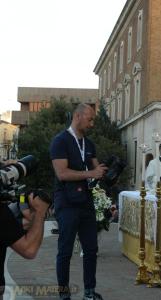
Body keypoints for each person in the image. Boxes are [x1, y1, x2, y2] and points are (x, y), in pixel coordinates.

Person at [50, 103, 108, 300]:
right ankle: (64, 295)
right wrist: (92, 172)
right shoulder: (60, 141)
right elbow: (62, 173)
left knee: (91, 249)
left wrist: (106, 172)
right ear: (77, 116)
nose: (92, 124)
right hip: (66, 202)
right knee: (65, 250)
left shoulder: (89, 144)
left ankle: (89, 292)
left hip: (85, 201)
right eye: (89, 119)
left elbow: (96, 170)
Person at [0, 193, 49, 299]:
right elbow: (26, 214)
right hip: (16, 219)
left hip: (13, 220)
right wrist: (40, 212)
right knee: (29, 221)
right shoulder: (23, 198)